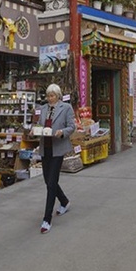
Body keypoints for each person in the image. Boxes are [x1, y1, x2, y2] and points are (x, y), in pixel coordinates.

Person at [36, 83, 75, 233]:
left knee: (51, 183)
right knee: (48, 181)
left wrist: (62, 132)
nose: (50, 99)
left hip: (58, 148)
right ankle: (64, 201)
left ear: (58, 96)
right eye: (48, 96)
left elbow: (72, 127)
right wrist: (35, 130)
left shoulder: (66, 108)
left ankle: (47, 219)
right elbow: (39, 125)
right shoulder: (43, 109)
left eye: (52, 96)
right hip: (45, 148)